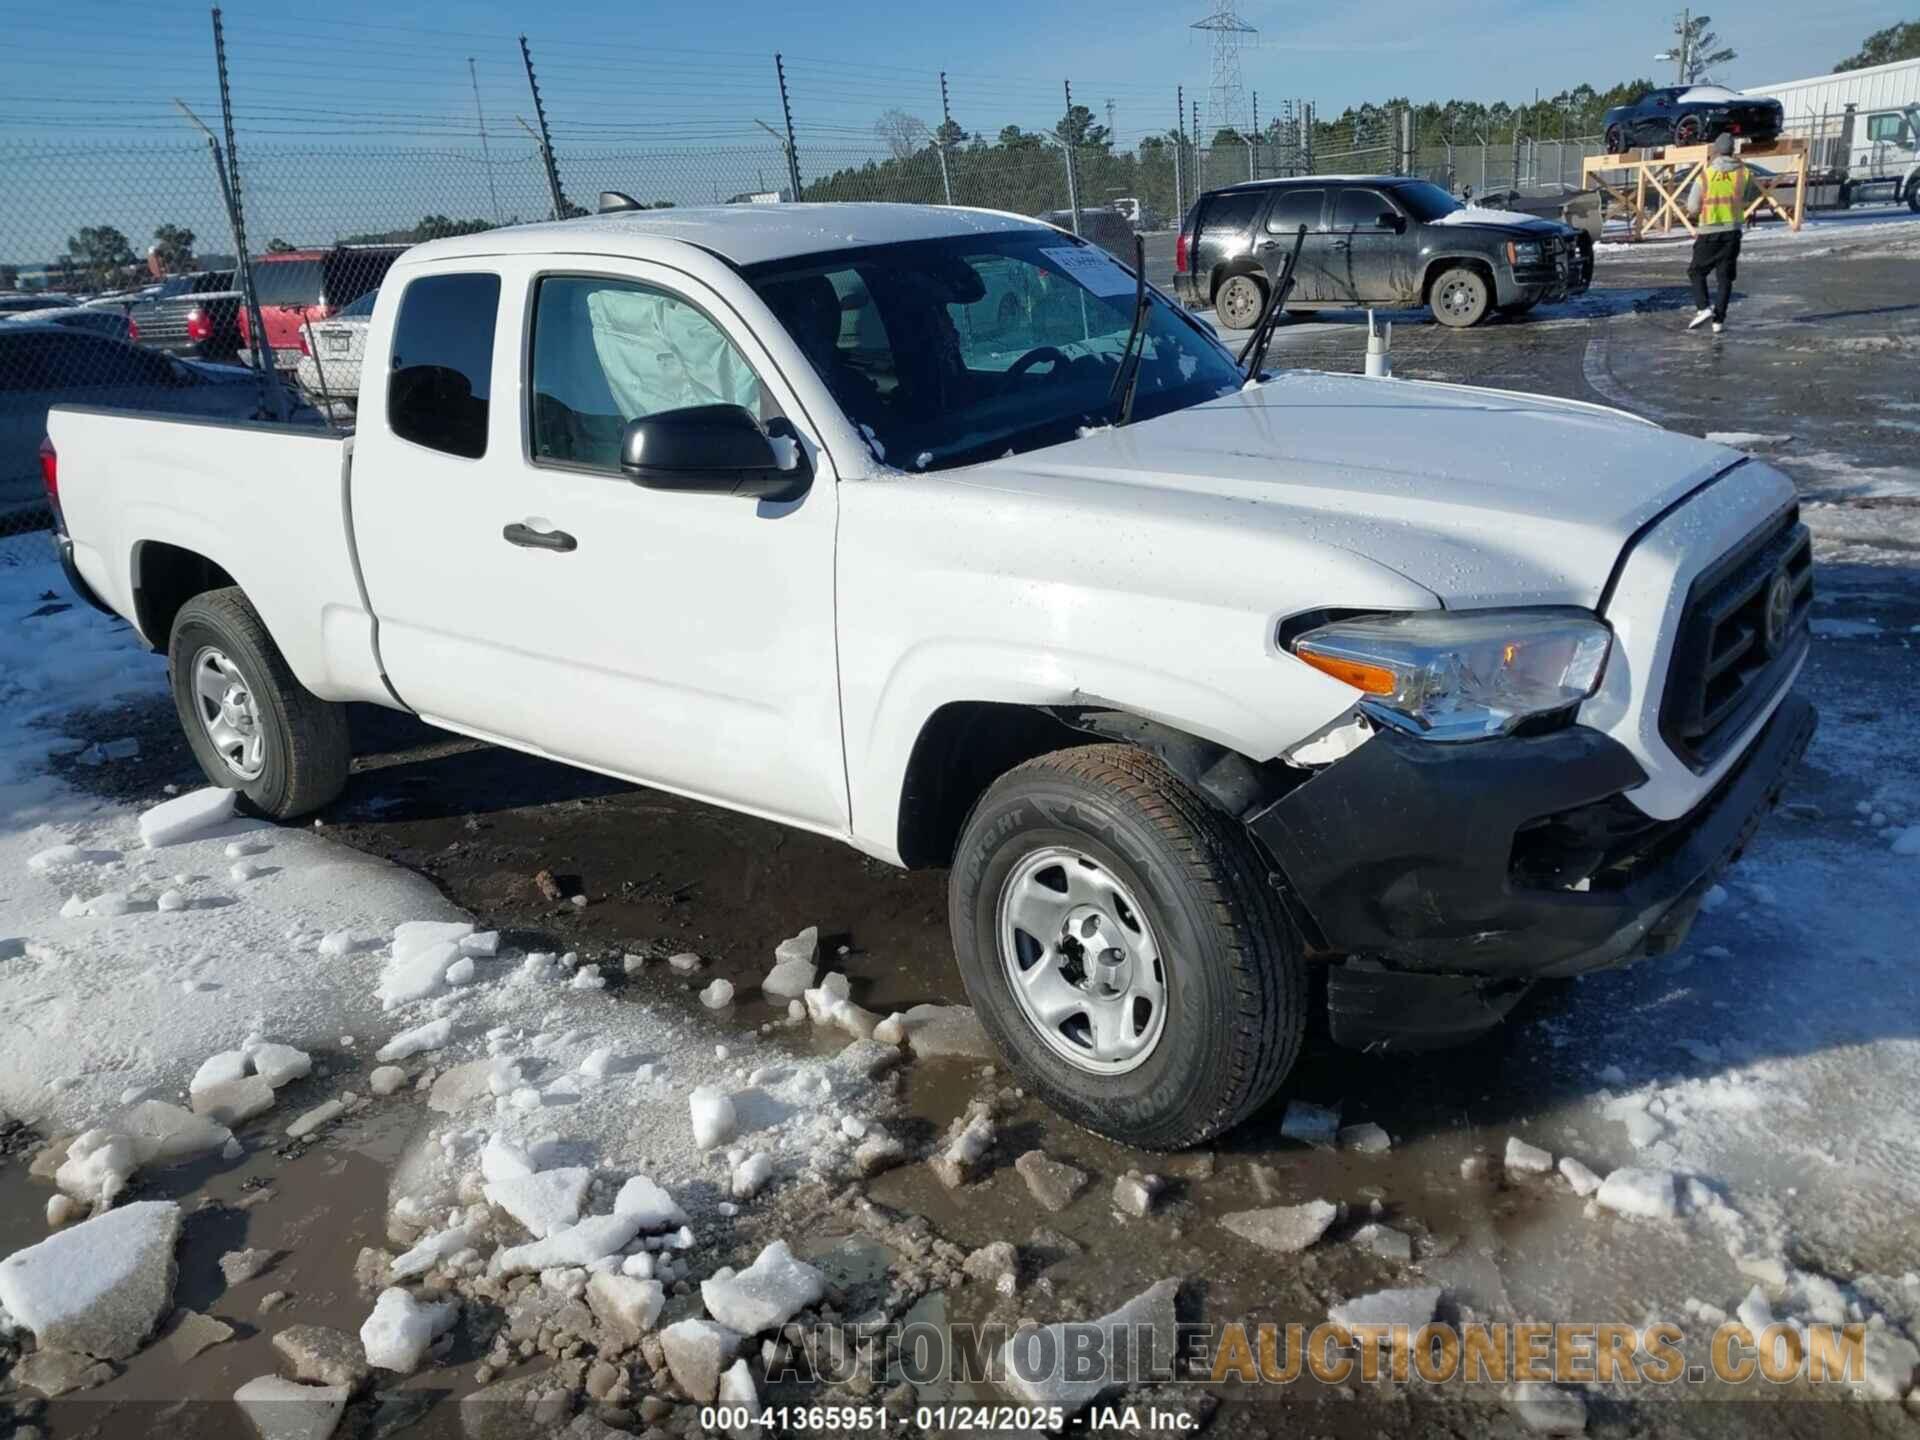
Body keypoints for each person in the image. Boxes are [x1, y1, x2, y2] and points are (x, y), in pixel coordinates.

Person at [1685, 132, 1752, 335]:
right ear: (1733, 150)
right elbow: (1746, 198)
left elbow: (1692, 206)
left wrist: (1695, 213)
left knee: (1696, 271)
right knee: (1725, 277)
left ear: (1715, 150)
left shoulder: (1705, 175)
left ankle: (1703, 308)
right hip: (1732, 232)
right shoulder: (1744, 174)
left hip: (1709, 231)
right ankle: (1718, 322)